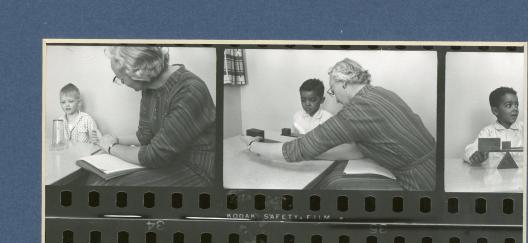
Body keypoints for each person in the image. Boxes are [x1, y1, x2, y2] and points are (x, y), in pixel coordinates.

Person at [242, 58, 436, 191]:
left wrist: (254, 146)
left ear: (343, 83)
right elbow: (359, 150)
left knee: (330, 185)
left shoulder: (356, 110)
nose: (336, 99)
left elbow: (299, 148)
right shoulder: (381, 93)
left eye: (333, 91)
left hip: (419, 184)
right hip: (434, 169)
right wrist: (316, 152)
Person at [90, 46, 216, 186]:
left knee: (113, 187)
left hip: (197, 170)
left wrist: (111, 148)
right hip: (170, 162)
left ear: (138, 72)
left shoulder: (190, 90)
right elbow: (145, 136)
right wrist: (115, 139)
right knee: (97, 180)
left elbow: (155, 156)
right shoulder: (149, 87)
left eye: (121, 78)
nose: (122, 83)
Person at [464, 87, 524, 165]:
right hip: (495, 175)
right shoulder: (488, 131)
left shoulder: (524, 128)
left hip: (518, 175)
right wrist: (475, 155)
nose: (515, 109)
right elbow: (471, 148)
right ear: (495, 111)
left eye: (516, 105)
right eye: (509, 105)